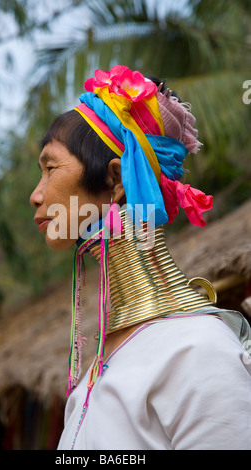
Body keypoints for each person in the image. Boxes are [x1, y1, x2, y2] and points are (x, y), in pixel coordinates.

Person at [30, 65, 251, 450]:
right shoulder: (89, 380)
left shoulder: (195, 351)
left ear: (114, 181)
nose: (36, 195)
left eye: (50, 168)